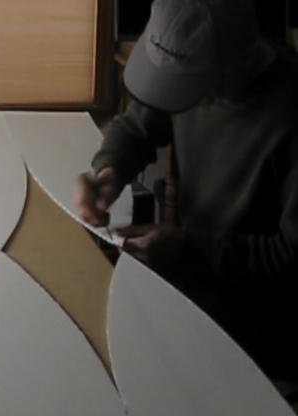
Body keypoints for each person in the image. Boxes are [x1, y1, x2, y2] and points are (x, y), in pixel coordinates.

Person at [74, 0, 298, 381]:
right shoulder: (199, 74)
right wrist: (108, 172)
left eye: (189, 88)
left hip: (263, 335)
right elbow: (136, 127)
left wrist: (185, 248)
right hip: (195, 294)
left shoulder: (289, 115)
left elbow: (289, 258)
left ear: (239, 61)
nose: (179, 96)